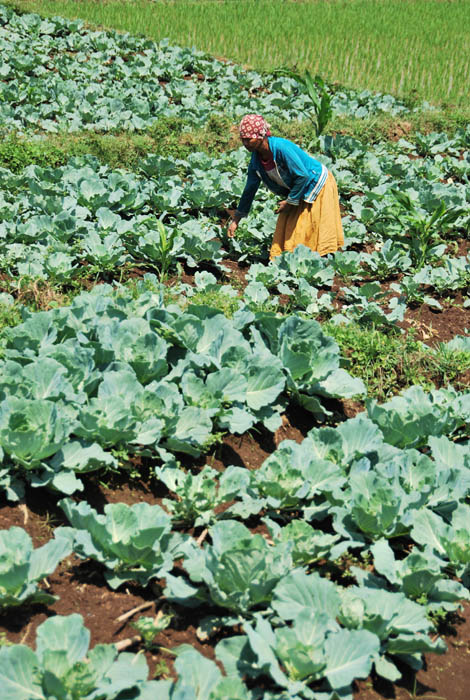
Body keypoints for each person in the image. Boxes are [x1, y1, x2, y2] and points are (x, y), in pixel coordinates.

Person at [228, 114, 344, 260]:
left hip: (317, 183)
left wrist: (290, 201)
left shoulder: (281, 148)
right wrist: (236, 219)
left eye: (248, 139)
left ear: (260, 136)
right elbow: (249, 189)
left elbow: (302, 175)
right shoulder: (256, 160)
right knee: (290, 228)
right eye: (243, 139)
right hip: (297, 188)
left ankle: (316, 259)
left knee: (310, 227)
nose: (245, 143)